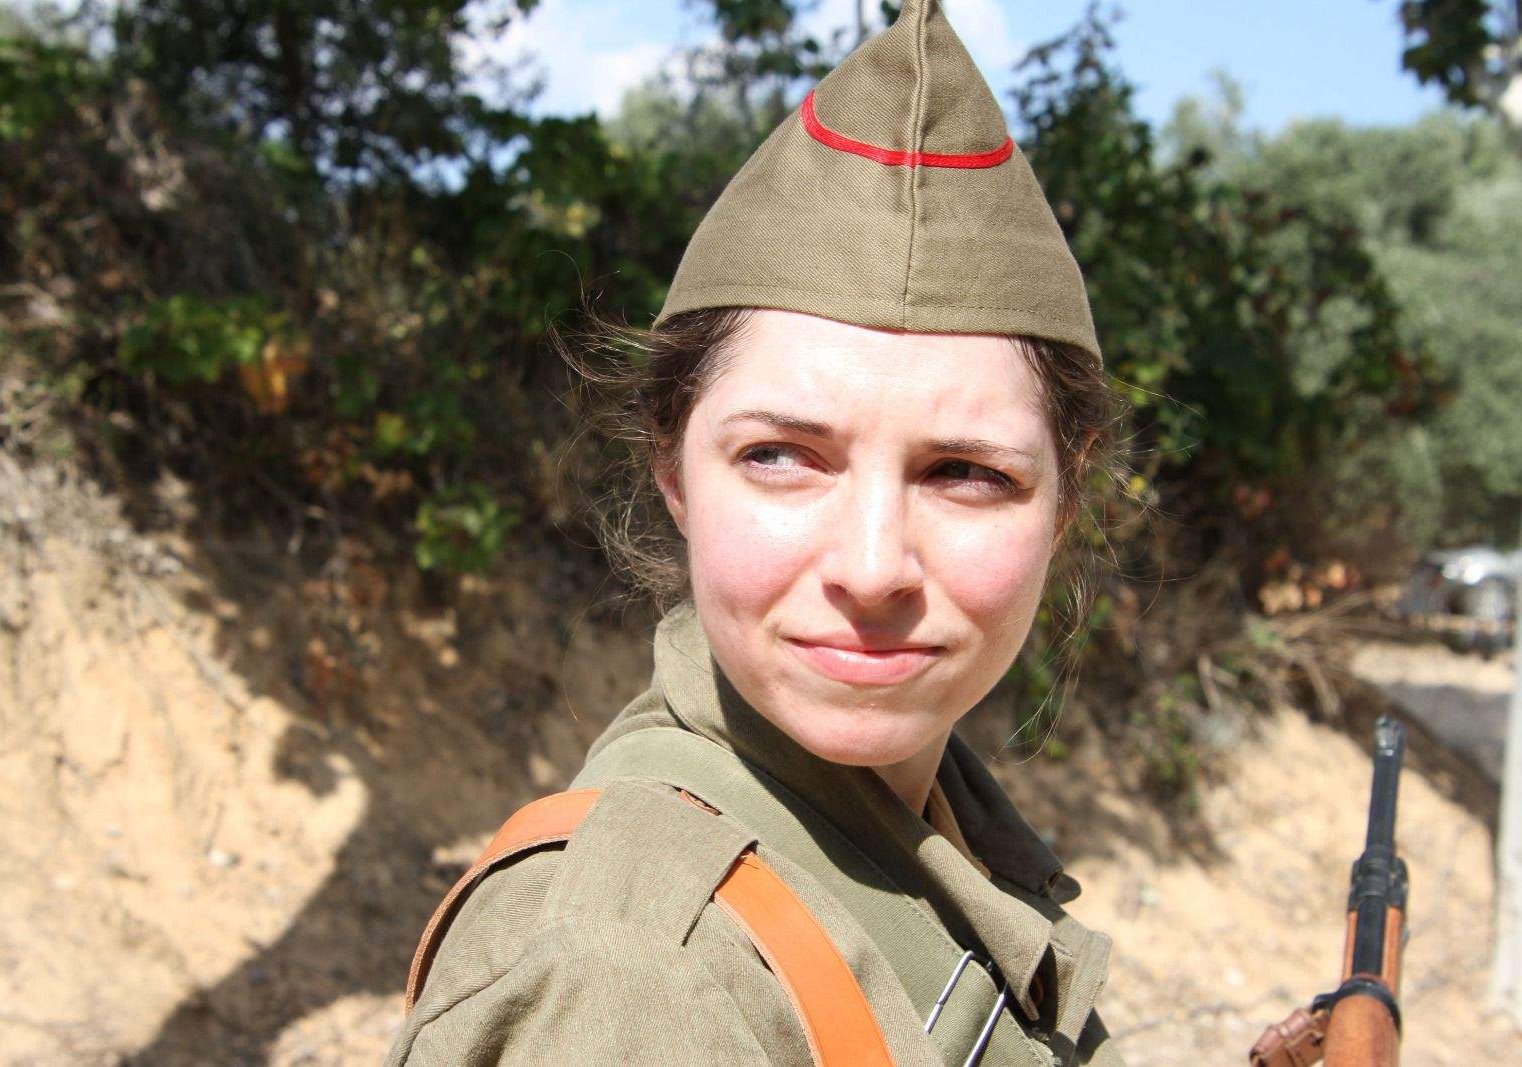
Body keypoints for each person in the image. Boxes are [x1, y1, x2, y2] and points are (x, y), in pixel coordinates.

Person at [386, 1, 1127, 1063]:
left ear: (1067, 498)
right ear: (671, 466)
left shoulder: (931, 829)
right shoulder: (635, 972)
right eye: (781, 456)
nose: (872, 566)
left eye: (964, 473)